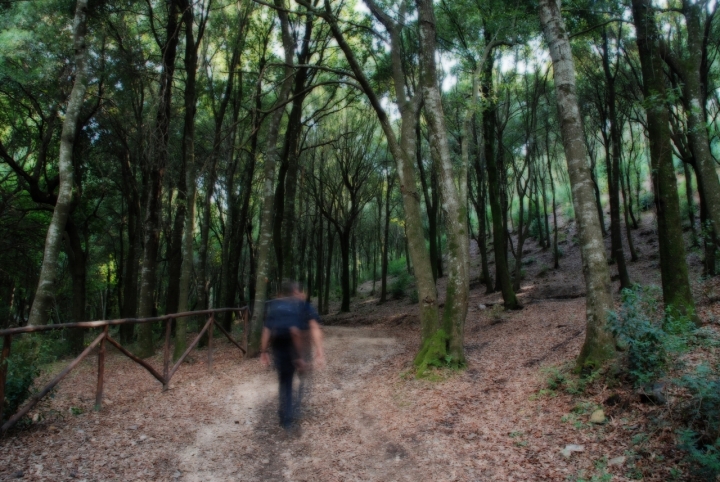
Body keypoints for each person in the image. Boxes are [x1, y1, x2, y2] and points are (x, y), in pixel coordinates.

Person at [260, 281, 325, 430]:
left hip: (280, 350)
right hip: (298, 348)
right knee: (297, 380)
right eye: (297, 292)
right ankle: (289, 415)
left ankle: (285, 413)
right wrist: (311, 352)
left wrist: (263, 351)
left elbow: (266, 330)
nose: (299, 294)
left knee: (285, 382)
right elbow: (304, 329)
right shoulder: (300, 306)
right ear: (296, 292)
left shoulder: (275, 307)